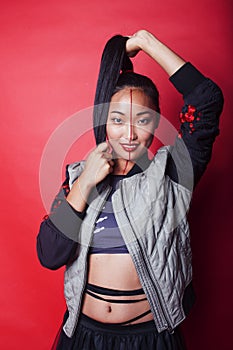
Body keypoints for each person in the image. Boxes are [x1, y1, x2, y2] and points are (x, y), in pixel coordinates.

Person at [37, 30, 224, 349]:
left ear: (156, 122)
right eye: (118, 119)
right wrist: (84, 184)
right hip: (84, 337)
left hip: (147, 338)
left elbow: (206, 99)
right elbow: (50, 254)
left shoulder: (173, 173)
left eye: (143, 119)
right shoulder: (78, 175)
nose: (130, 134)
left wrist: (145, 42)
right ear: (103, 122)